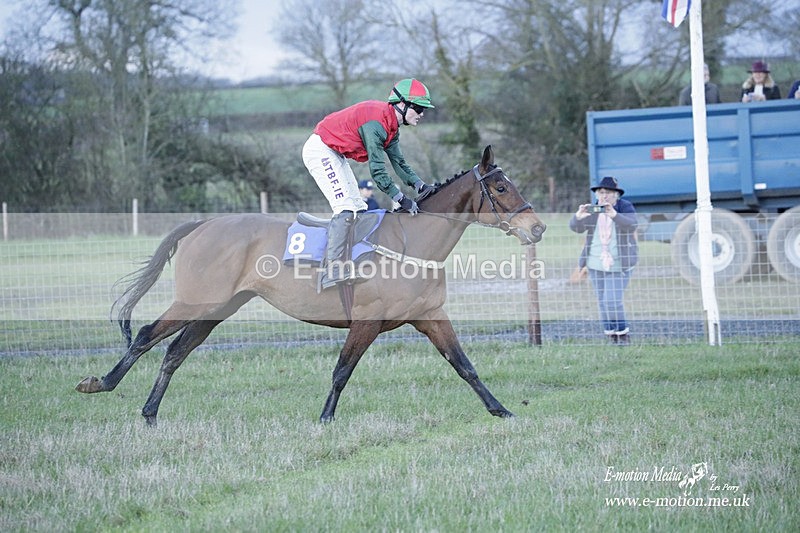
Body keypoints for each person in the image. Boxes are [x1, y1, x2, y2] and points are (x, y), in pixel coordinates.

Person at [302, 78, 436, 290]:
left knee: (360, 208)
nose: (421, 114)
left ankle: (354, 259)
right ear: (402, 104)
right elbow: (378, 171)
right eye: (418, 108)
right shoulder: (376, 124)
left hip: (335, 153)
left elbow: (399, 163)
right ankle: (332, 271)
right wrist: (401, 199)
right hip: (320, 150)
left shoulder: (391, 127)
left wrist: (421, 185)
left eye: (423, 109)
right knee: (346, 208)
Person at [569, 176, 639, 345]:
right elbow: (576, 229)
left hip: (619, 263)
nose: (604, 196)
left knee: (612, 300)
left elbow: (632, 224)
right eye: (601, 192)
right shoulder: (594, 210)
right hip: (595, 263)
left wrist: (614, 214)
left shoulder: (624, 207)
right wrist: (578, 217)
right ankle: (610, 334)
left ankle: (623, 334)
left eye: (609, 192)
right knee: (602, 301)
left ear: (616, 195)